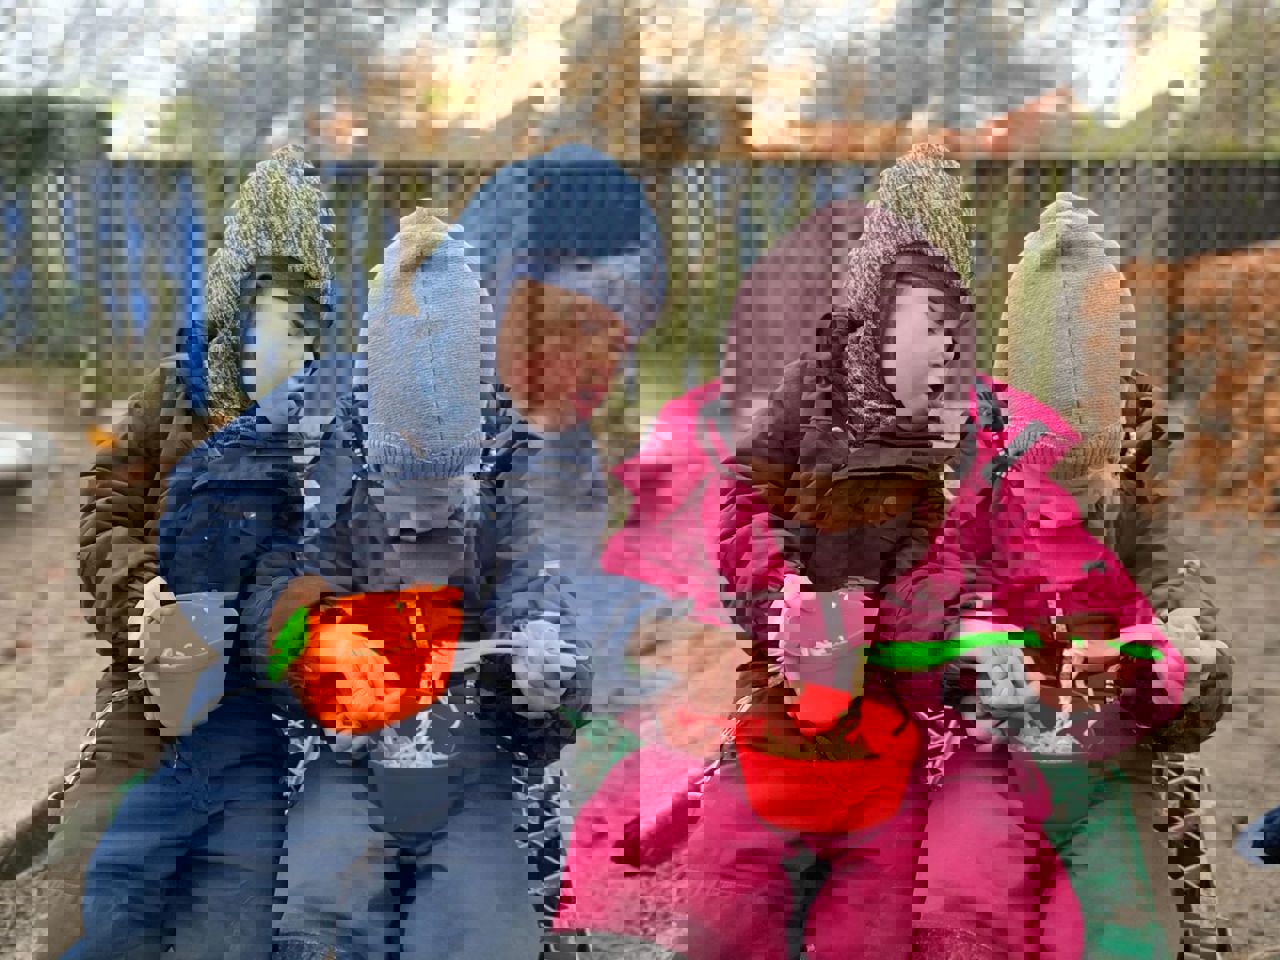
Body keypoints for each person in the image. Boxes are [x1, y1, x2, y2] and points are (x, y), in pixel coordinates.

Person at [247, 209, 576, 960]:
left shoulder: (519, 461)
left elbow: (539, 577)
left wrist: (545, 653)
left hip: (476, 754)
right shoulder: (320, 453)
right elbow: (277, 594)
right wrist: (305, 646)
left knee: (482, 933)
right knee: (313, 915)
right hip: (346, 749)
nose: (419, 521)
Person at [43, 146, 334, 960]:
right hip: (148, 707)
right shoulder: (168, 397)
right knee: (89, 912)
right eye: (260, 299)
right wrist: (143, 606)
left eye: (295, 307)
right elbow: (103, 516)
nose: (275, 330)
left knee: (230, 927)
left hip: (271, 732)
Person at [983, 192, 1232, 957]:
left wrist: (1173, 664)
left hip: (1111, 780)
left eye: (1091, 465)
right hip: (988, 783)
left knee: (1162, 841)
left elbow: (1197, 660)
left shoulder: (1147, 534)